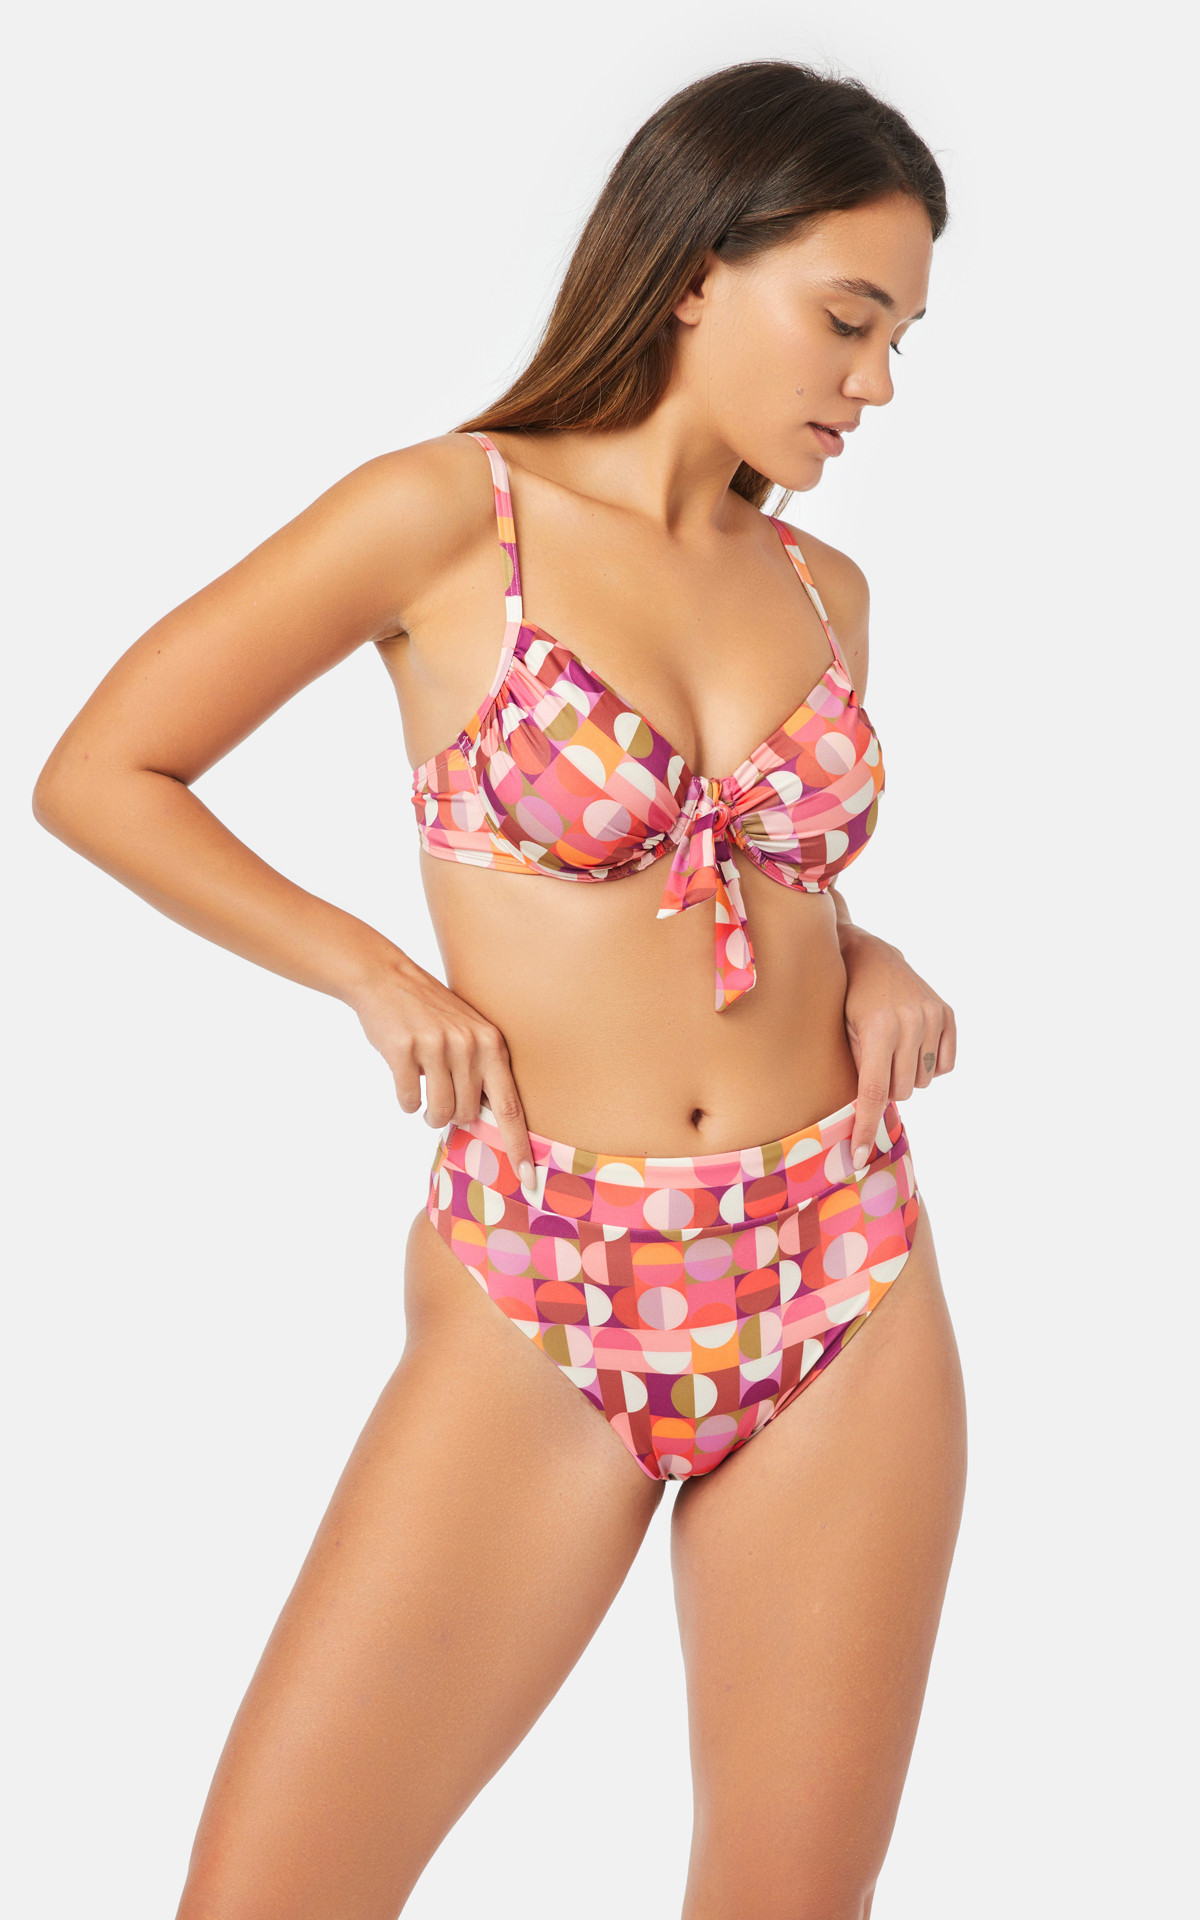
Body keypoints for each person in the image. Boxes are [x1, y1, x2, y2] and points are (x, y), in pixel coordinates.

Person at [33, 57, 968, 1920]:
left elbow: (753, 885)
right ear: (694, 270)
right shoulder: (449, 515)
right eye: (847, 319)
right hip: (549, 1271)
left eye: (901, 341)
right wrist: (373, 974)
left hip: (841, 1259)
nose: (875, 384)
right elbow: (102, 773)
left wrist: (871, 951)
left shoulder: (826, 591)